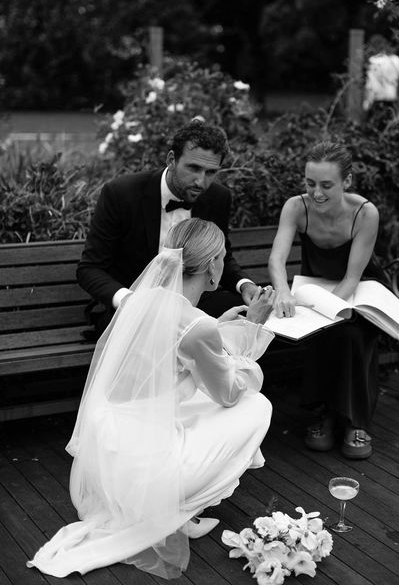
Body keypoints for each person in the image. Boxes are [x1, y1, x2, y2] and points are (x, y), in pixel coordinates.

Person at [27, 218, 275, 579]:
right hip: (148, 466)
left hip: (111, 449)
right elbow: (229, 391)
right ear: (211, 266)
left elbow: (187, 348)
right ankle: (177, 508)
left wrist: (218, 330)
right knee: (256, 406)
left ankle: (172, 512)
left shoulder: (144, 300)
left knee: (199, 400)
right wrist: (253, 327)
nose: (224, 263)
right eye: (222, 256)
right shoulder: (197, 325)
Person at [77, 120, 260, 336]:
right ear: (171, 159)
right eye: (193, 168)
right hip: (131, 307)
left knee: (250, 315)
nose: (200, 182)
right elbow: (90, 269)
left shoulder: (217, 197)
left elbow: (220, 257)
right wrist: (131, 302)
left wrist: (245, 285)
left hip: (192, 305)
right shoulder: (121, 194)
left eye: (211, 172)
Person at [268, 141, 385, 459]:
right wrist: (283, 291)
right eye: (310, 183)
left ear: (346, 181)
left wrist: (329, 310)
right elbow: (277, 261)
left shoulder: (365, 213)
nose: (316, 193)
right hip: (312, 289)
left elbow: (352, 277)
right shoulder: (296, 207)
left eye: (326, 185)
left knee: (347, 332)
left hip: (358, 292)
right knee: (322, 332)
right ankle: (325, 414)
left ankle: (354, 421)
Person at [362, 35, 399, 113]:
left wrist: (367, 102)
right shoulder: (397, 60)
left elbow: (370, 86)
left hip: (378, 100)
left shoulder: (373, 61)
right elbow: (398, 78)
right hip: (392, 99)